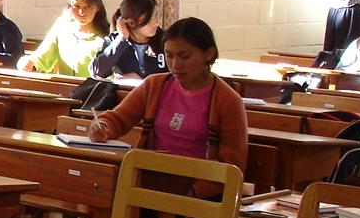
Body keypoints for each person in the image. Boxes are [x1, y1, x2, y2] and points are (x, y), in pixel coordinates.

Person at [88, 17, 248, 199]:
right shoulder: (155, 85)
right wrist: (103, 127)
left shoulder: (227, 100)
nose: (175, 65)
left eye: (184, 56)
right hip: (150, 181)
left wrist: (194, 194)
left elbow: (232, 166)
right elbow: (118, 118)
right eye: (169, 55)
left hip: (197, 192)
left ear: (209, 54)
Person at [19, 0, 110, 76]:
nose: (81, 12)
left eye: (87, 6)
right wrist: (27, 63)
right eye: (76, 6)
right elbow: (41, 58)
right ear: (70, 6)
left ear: (98, 7)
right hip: (64, 89)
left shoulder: (108, 36)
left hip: (95, 90)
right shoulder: (62, 27)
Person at [90, 0, 166, 79]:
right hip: (127, 92)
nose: (156, 23)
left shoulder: (165, 40)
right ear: (131, 22)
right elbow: (97, 72)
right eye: (151, 20)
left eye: (157, 18)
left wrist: (145, 82)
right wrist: (121, 39)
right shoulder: (114, 41)